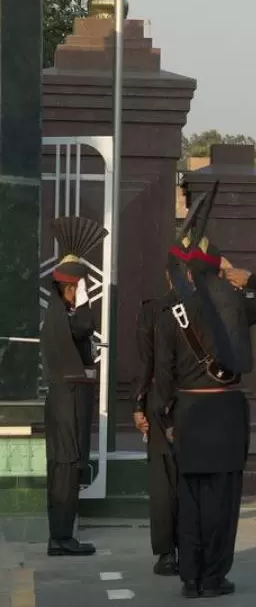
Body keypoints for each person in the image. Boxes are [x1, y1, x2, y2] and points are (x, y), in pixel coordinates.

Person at [154, 191, 256, 598]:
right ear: (215, 271)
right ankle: (214, 577)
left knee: (190, 498)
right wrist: (248, 278)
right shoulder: (235, 302)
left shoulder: (170, 310)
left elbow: (163, 374)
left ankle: (190, 578)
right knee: (223, 501)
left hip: (187, 410)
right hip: (226, 411)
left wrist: (161, 417)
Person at [42, 216, 107, 557]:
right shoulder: (65, 316)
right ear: (67, 287)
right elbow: (85, 325)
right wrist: (83, 297)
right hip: (67, 401)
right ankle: (62, 537)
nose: (77, 294)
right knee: (66, 465)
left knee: (64, 465)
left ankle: (61, 534)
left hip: (66, 399)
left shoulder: (58, 315)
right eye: (76, 287)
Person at [133, 295, 178, 575]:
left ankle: (166, 554)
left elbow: (144, 361)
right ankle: (192, 551)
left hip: (161, 403)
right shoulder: (214, 308)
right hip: (199, 404)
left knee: (163, 481)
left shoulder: (153, 310)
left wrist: (138, 404)